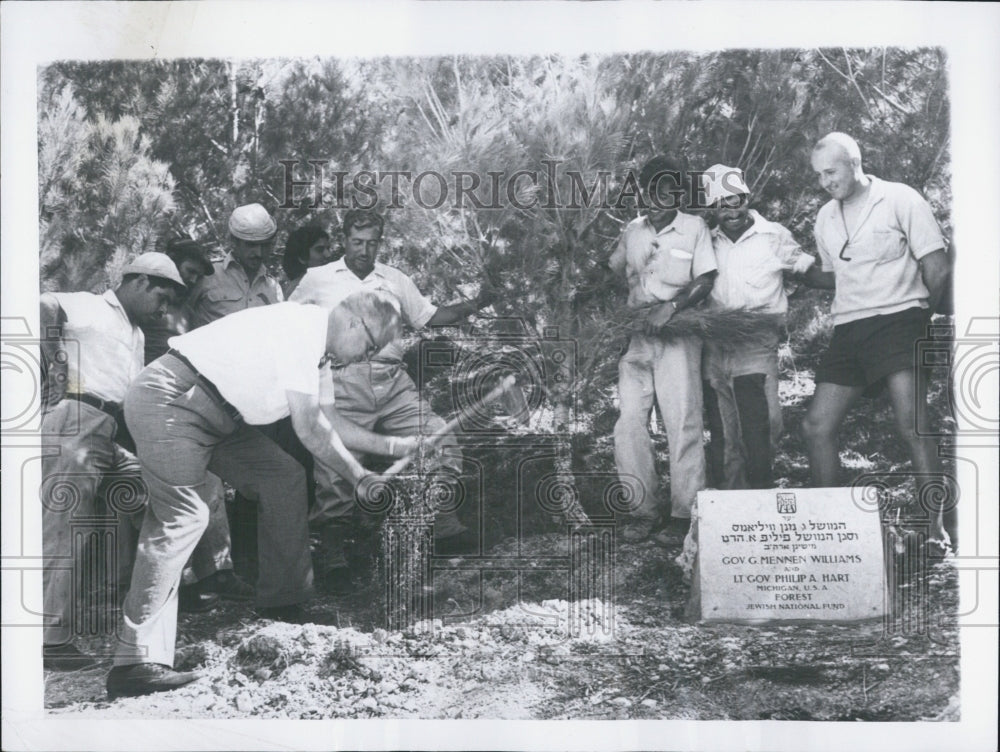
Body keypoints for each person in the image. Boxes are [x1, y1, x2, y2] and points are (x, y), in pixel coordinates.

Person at [107, 291, 405, 698]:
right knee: (183, 516)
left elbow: (329, 420)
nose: (364, 358)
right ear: (355, 323)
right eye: (369, 348)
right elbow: (311, 430)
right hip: (171, 399)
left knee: (283, 477)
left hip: (220, 418)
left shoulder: (317, 353)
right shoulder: (304, 327)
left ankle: (283, 604)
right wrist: (359, 477)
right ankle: (133, 663)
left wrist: (395, 447)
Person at [290, 209, 493, 591]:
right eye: (357, 242)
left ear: (381, 242)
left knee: (436, 436)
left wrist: (479, 302)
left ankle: (441, 525)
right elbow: (292, 322)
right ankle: (333, 551)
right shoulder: (318, 279)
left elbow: (431, 317)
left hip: (392, 379)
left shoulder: (395, 279)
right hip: (341, 379)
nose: (364, 251)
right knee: (336, 466)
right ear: (344, 239)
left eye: (372, 243)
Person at [800, 132, 954, 550]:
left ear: (854, 162)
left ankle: (933, 532)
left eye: (831, 171)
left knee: (912, 425)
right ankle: (833, 532)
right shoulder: (824, 217)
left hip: (901, 320)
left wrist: (919, 321)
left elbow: (936, 266)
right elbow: (837, 275)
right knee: (816, 426)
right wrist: (790, 268)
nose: (824, 181)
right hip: (849, 328)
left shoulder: (900, 198)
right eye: (818, 175)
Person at [39, 253, 186, 671]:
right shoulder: (90, 304)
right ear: (139, 282)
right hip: (76, 418)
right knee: (63, 527)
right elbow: (44, 305)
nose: (166, 308)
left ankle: (143, 622)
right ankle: (48, 640)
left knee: (164, 499)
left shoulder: (136, 332)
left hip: (113, 431)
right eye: (163, 296)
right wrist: (51, 364)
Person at [140, 237, 255, 608]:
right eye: (187, 273)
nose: (190, 283)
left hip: (188, 407)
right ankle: (182, 583)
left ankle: (218, 571)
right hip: (150, 405)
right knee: (172, 497)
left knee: (210, 484)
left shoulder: (184, 310)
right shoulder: (144, 306)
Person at [608, 155, 718, 542]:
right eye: (652, 189)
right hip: (637, 337)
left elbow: (705, 277)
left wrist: (671, 307)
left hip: (679, 333)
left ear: (678, 192)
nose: (659, 197)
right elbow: (613, 272)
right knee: (629, 425)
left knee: (683, 420)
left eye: (668, 189)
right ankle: (641, 510)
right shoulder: (632, 230)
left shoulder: (694, 227)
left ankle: (685, 515)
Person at [700, 164, 816, 489]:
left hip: (757, 341)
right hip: (715, 345)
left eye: (736, 200)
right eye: (722, 204)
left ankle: (761, 497)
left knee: (764, 425)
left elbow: (805, 268)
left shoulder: (773, 235)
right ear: (713, 208)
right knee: (725, 431)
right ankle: (732, 508)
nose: (731, 210)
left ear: (747, 198)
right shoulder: (706, 241)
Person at [184, 203, 283, 329]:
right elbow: (179, 319)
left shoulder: (274, 289)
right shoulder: (207, 276)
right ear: (234, 241)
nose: (258, 253)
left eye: (265, 245)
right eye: (251, 245)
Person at [282, 224, 334, 298]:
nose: (328, 255)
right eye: (320, 250)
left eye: (328, 248)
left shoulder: (325, 284)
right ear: (302, 257)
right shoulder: (296, 291)